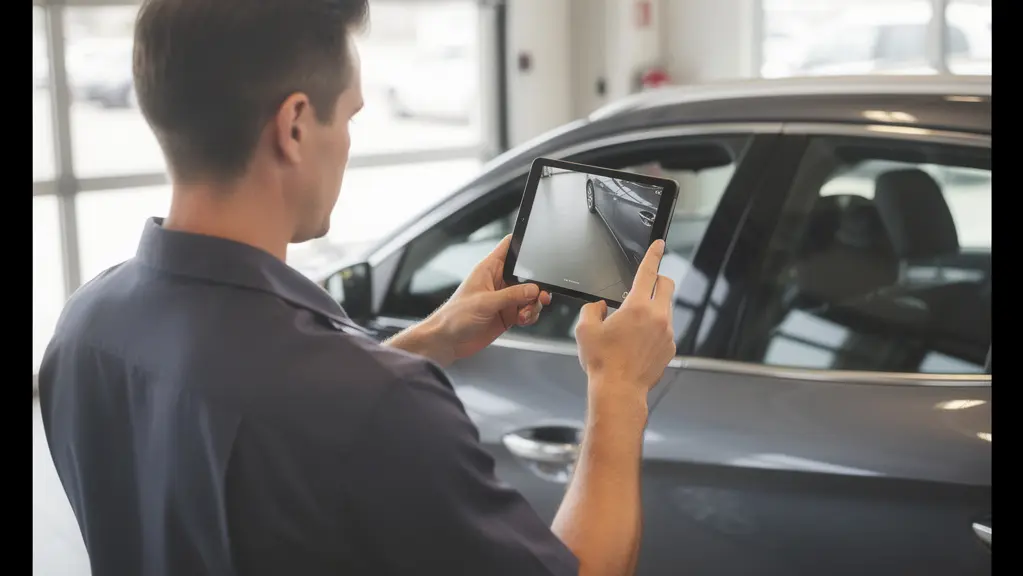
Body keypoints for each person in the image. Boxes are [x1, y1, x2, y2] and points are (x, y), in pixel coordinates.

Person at [38, 0, 678, 575]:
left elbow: (274, 418)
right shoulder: (379, 406)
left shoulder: (84, 328)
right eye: (348, 116)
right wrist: (620, 392)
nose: (347, 143)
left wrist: (432, 338)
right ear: (293, 127)